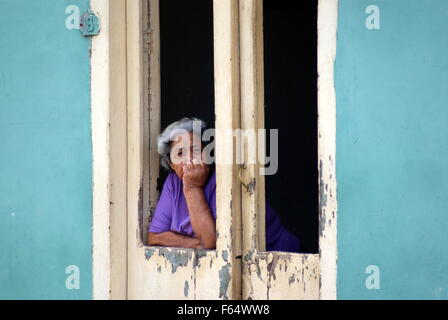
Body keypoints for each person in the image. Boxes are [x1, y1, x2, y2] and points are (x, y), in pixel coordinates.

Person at [147, 117, 300, 252]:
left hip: (279, 258)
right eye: (180, 154)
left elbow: (209, 243)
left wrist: (193, 187)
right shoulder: (173, 182)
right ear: (170, 163)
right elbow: (154, 237)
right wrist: (195, 244)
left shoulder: (223, 178)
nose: (189, 159)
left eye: (195, 150)